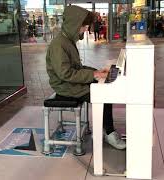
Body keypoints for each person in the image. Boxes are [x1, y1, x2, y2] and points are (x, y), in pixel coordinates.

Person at [45, 5, 126, 150]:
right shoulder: (59, 45)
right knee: (104, 94)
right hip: (65, 86)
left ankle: (106, 129)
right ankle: (109, 132)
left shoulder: (66, 41)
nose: (85, 30)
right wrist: (94, 75)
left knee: (103, 89)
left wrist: (96, 71)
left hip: (69, 82)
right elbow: (66, 73)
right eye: (84, 27)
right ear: (74, 24)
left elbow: (77, 68)